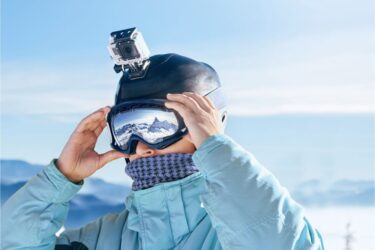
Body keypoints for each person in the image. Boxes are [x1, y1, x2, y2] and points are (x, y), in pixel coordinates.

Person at [1, 54, 324, 250]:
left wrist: (218, 151)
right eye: (126, 129)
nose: (140, 146)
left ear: (206, 125)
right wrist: (60, 178)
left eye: (157, 126)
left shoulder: (236, 227)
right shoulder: (103, 238)